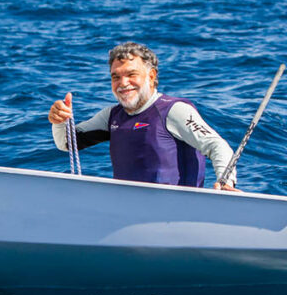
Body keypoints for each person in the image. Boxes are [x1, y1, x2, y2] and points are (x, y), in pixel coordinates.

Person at [48, 42, 239, 190]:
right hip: (128, 213)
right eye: (116, 77)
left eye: (132, 74)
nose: (123, 83)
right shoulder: (112, 116)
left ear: (151, 76)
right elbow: (67, 143)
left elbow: (217, 145)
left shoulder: (174, 111)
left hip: (178, 213)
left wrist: (225, 182)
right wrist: (59, 121)